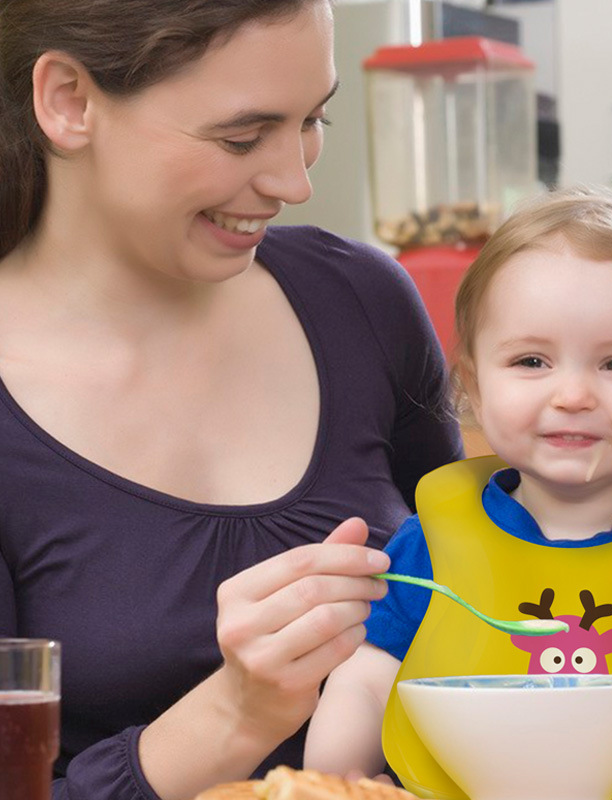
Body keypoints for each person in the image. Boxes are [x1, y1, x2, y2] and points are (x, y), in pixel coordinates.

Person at [0, 1, 464, 798]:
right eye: (242, 137)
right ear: (69, 102)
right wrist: (236, 713)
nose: (295, 182)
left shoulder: (363, 303)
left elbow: (474, 617)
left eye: (313, 119)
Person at [304, 187, 612, 798]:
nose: (572, 395)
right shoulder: (436, 542)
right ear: (475, 387)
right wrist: (330, 780)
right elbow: (368, 678)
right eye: (532, 361)